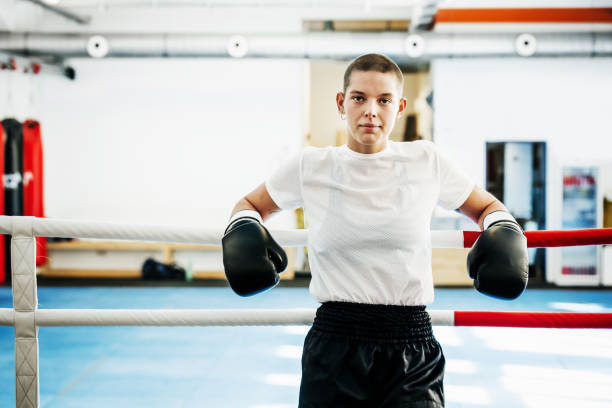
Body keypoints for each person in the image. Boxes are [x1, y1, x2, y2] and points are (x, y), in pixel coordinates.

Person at [222, 53, 528, 408]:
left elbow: (487, 206)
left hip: (411, 345)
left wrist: (502, 228)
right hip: (335, 341)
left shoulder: (427, 161)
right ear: (342, 102)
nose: (371, 110)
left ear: (398, 108)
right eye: (359, 98)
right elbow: (249, 204)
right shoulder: (311, 165)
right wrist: (244, 228)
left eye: (383, 100)